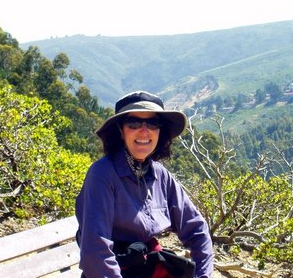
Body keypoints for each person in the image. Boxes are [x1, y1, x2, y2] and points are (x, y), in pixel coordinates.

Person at [75, 91, 213, 278]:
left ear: (160, 131)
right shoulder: (102, 175)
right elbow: (95, 253)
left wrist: (203, 276)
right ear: (120, 130)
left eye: (153, 123)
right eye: (134, 122)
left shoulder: (160, 175)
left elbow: (197, 229)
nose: (144, 130)